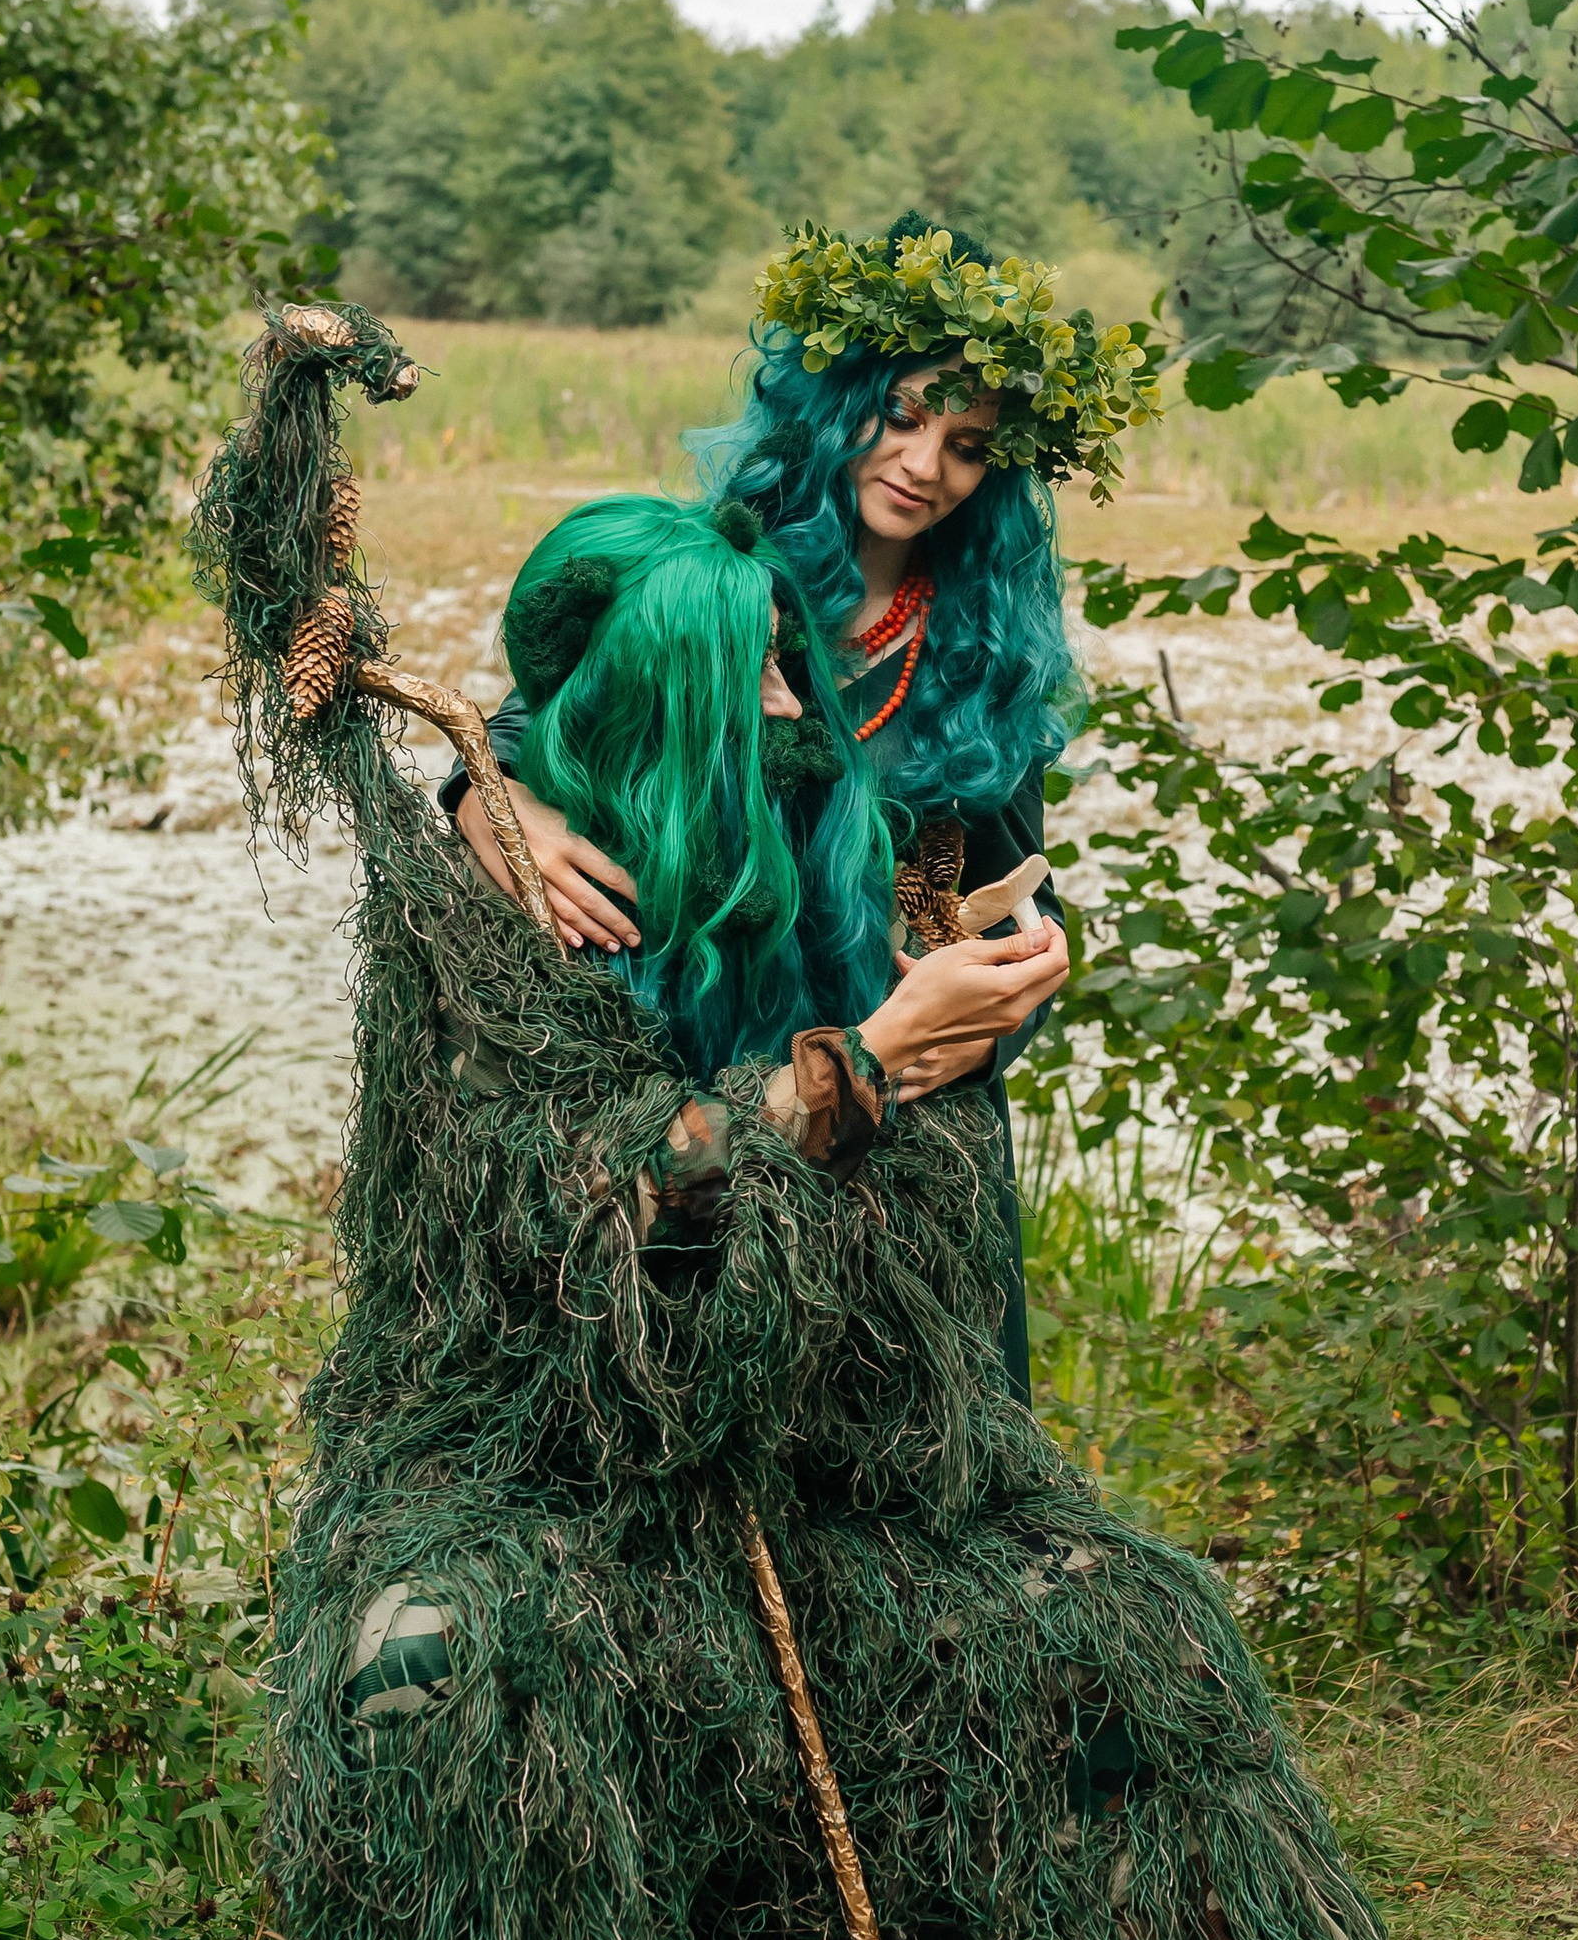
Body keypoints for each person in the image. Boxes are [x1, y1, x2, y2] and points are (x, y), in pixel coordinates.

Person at [197, 311, 1578, 1940]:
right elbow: (595, 1242)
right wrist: (810, 1071)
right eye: (745, 690)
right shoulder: (493, 923)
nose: (796, 718)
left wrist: (911, 1048)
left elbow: (898, 1241)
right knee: (467, 1655)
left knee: (1120, 1618)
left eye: (796, 674)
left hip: (816, 1465)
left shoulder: (855, 860)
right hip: (537, 1480)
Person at [444, 219, 1106, 1399]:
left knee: (905, 1452)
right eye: (899, 415)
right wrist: (484, 803)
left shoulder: (975, 650)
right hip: (707, 1065)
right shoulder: (722, 568)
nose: (922, 463)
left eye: (964, 445)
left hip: (891, 1109)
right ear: (832, 398)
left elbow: (975, 876)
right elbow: (552, 711)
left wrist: (1002, 973)